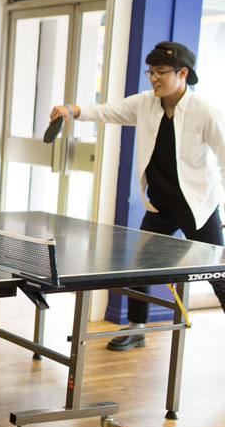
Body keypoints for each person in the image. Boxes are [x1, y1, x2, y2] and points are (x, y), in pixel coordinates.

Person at [50, 41, 225, 351]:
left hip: (197, 206)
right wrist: (71, 110)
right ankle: (137, 328)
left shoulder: (205, 112)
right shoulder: (145, 103)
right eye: (151, 72)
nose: (154, 78)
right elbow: (107, 111)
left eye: (161, 72)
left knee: (219, 273)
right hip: (160, 206)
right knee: (140, 267)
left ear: (182, 73)